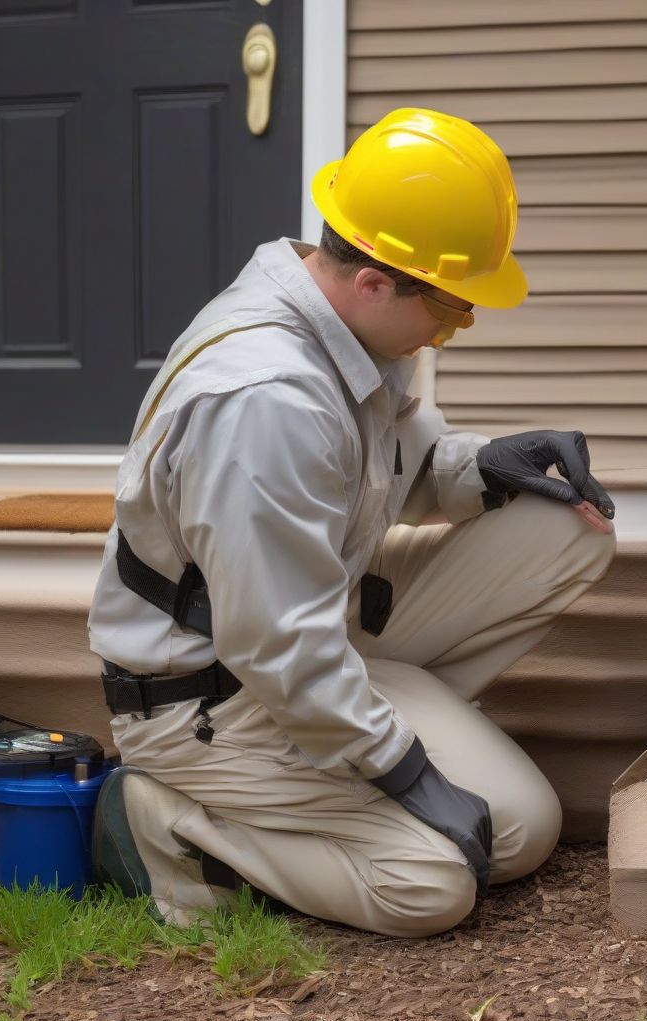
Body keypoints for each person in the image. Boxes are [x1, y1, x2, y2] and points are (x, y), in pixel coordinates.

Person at [87, 108, 616, 938]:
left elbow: (382, 475)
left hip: (309, 637)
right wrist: (407, 773)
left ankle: (354, 737)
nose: (454, 329)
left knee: (567, 533)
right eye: (454, 309)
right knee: (434, 885)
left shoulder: (351, 327)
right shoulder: (265, 401)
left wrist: (485, 464)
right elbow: (274, 641)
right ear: (376, 281)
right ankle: (168, 822)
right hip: (210, 701)